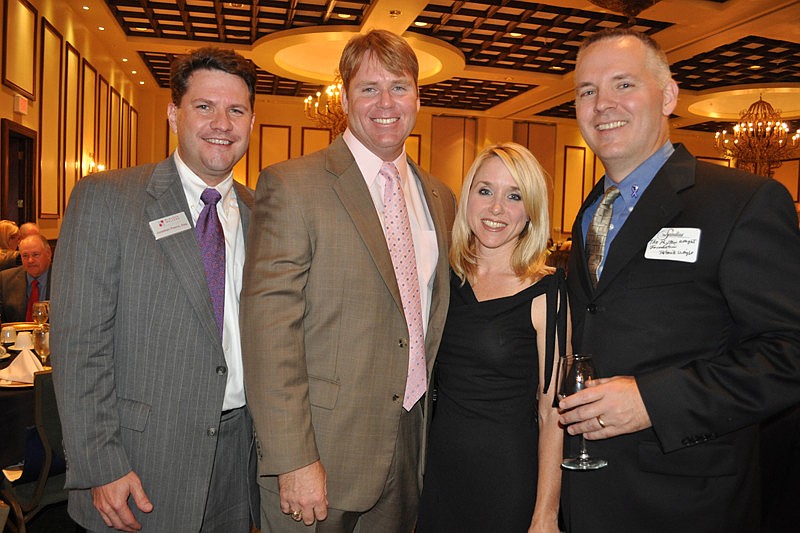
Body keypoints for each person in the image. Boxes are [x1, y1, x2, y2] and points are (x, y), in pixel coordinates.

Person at [559, 28, 800, 533]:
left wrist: (654, 400)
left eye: (623, 84)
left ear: (668, 96)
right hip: (584, 494)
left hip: (685, 501)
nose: (602, 104)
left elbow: (789, 352)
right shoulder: (588, 211)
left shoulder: (740, 201)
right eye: (587, 91)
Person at [241, 29, 456, 533]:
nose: (386, 103)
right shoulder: (293, 185)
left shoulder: (440, 198)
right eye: (368, 88)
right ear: (343, 97)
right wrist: (293, 459)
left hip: (409, 451)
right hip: (319, 456)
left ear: (418, 98)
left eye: (399, 87)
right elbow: (269, 334)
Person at [51, 47, 259, 533]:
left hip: (237, 456)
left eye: (236, 110)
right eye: (204, 106)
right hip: (138, 461)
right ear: (173, 114)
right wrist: (102, 463)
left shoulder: (262, 212)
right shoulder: (107, 198)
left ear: (251, 120)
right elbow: (79, 345)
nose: (221, 124)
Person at [416, 143, 567, 533]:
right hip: (437, 477)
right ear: (467, 197)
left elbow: (554, 413)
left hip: (507, 480)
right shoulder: (443, 280)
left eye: (514, 196)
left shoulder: (546, 292)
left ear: (531, 210)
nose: (496, 208)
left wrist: (546, 514)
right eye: (485, 191)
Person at [0, 234, 52, 323]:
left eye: (35, 255)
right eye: (25, 256)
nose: (30, 260)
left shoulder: (63, 279)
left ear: (48, 254)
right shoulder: (6, 280)